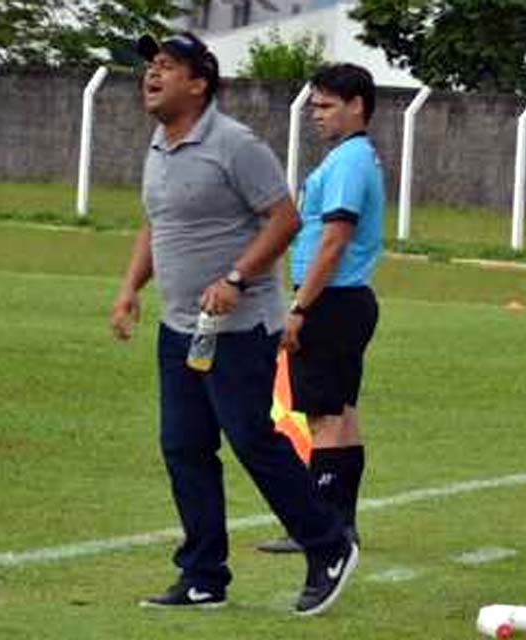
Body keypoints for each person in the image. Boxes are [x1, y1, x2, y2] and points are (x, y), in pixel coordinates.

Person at [110, 31, 356, 616]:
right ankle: (203, 575)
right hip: (180, 328)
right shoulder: (159, 146)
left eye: (167, 66)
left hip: (240, 328)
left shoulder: (234, 144)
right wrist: (129, 289)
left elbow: (285, 219)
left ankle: (329, 545)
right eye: (151, 66)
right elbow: (157, 224)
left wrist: (237, 278)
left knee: (251, 439)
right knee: (183, 446)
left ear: (199, 83)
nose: (152, 75)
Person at [257, 63, 383, 555]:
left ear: (357, 106)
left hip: (330, 300)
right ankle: (341, 525)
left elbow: (334, 241)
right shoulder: (355, 157)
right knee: (341, 415)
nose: (317, 114)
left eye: (327, 105)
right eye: (314, 105)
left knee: (323, 419)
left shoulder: (349, 162)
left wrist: (300, 307)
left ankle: (323, 530)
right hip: (346, 300)